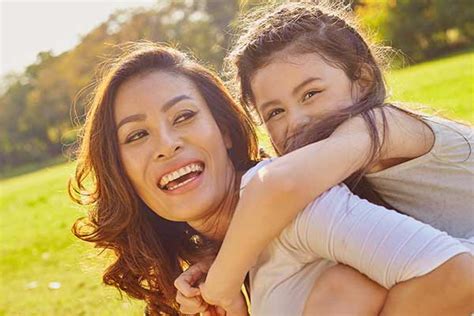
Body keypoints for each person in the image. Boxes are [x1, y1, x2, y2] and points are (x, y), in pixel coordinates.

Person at [69, 42, 472, 316]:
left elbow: (460, 275)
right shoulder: (227, 260)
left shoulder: (289, 204)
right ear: (119, 170)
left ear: (224, 130)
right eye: (137, 135)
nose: (167, 144)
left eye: (184, 116)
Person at [177, 1, 474, 315]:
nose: (297, 120)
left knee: (351, 283)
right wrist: (219, 254)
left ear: (363, 79)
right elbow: (271, 203)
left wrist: (224, 278)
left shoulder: (380, 126)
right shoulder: (334, 165)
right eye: (275, 112)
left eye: (310, 94)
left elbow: (278, 185)